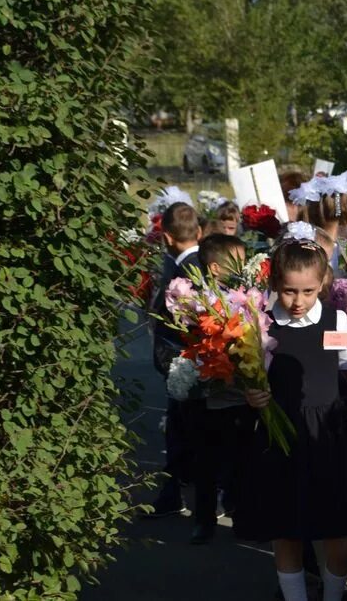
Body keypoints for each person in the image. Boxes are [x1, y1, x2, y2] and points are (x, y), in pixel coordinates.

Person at [236, 233, 347, 601]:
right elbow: (247, 375)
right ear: (276, 283)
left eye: (308, 291)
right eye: (290, 291)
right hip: (279, 438)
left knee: (337, 532)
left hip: (327, 436)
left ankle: (333, 595)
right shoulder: (260, 323)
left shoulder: (336, 321)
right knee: (287, 530)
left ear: (323, 283)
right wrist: (251, 394)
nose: (298, 301)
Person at [188, 233, 256, 545]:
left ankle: (245, 518)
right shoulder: (196, 301)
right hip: (209, 399)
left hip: (242, 399)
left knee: (244, 465)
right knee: (207, 464)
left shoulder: (247, 295)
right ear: (215, 268)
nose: (243, 266)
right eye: (236, 260)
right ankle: (203, 520)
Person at [147, 201, 203, 517]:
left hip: (182, 358)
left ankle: (183, 496)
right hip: (182, 360)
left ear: (167, 236)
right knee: (181, 429)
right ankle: (175, 492)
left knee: (184, 430)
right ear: (198, 231)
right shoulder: (193, 262)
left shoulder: (188, 269)